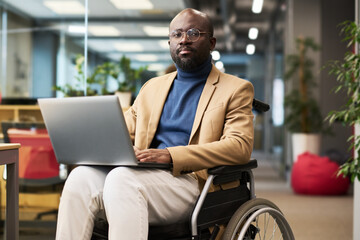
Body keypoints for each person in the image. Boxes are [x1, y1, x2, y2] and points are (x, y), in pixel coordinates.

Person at [55, 8, 254, 240]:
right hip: (140, 172)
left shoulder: (235, 89)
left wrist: (170, 155)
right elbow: (123, 131)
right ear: (169, 41)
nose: (184, 40)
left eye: (193, 33)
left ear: (211, 42)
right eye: (177, 34)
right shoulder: (152, 87)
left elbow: (240, 146)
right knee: (80, 178)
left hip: (191, 181)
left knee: (121, 180)